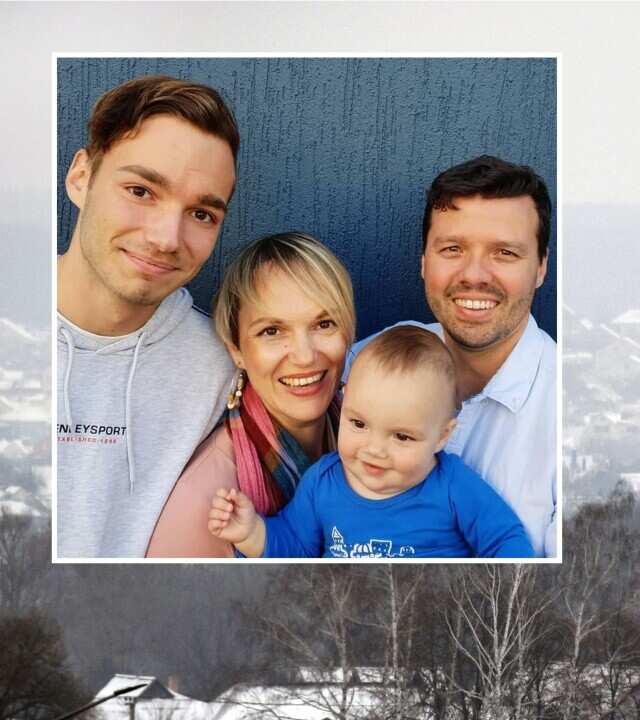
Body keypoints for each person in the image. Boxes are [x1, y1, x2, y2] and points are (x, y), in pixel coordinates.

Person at [56, 75, 240, 558]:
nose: (166, 238)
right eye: (140, 191)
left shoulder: (221, 370)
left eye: (202, 214)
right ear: (81, 177)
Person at [345, 155, 558, 557]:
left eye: (504, 253)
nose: (474, 275)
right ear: (424, 261)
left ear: (542, 267)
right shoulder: (370, 361)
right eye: (453, 248)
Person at [209, 326, 533, 558]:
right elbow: (294, 545)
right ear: (345, 401)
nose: (374, 449)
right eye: (359, 424)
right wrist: (252, 532)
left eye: (402, 436)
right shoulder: (323, 483)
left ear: (442, 436)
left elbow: (506, 540)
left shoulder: (453, 486)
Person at [146, 232, 355, 557]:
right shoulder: (206, 504)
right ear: (236, 350)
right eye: (272, 331)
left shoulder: (370, 440)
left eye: (324, 324)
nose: (304, 356)